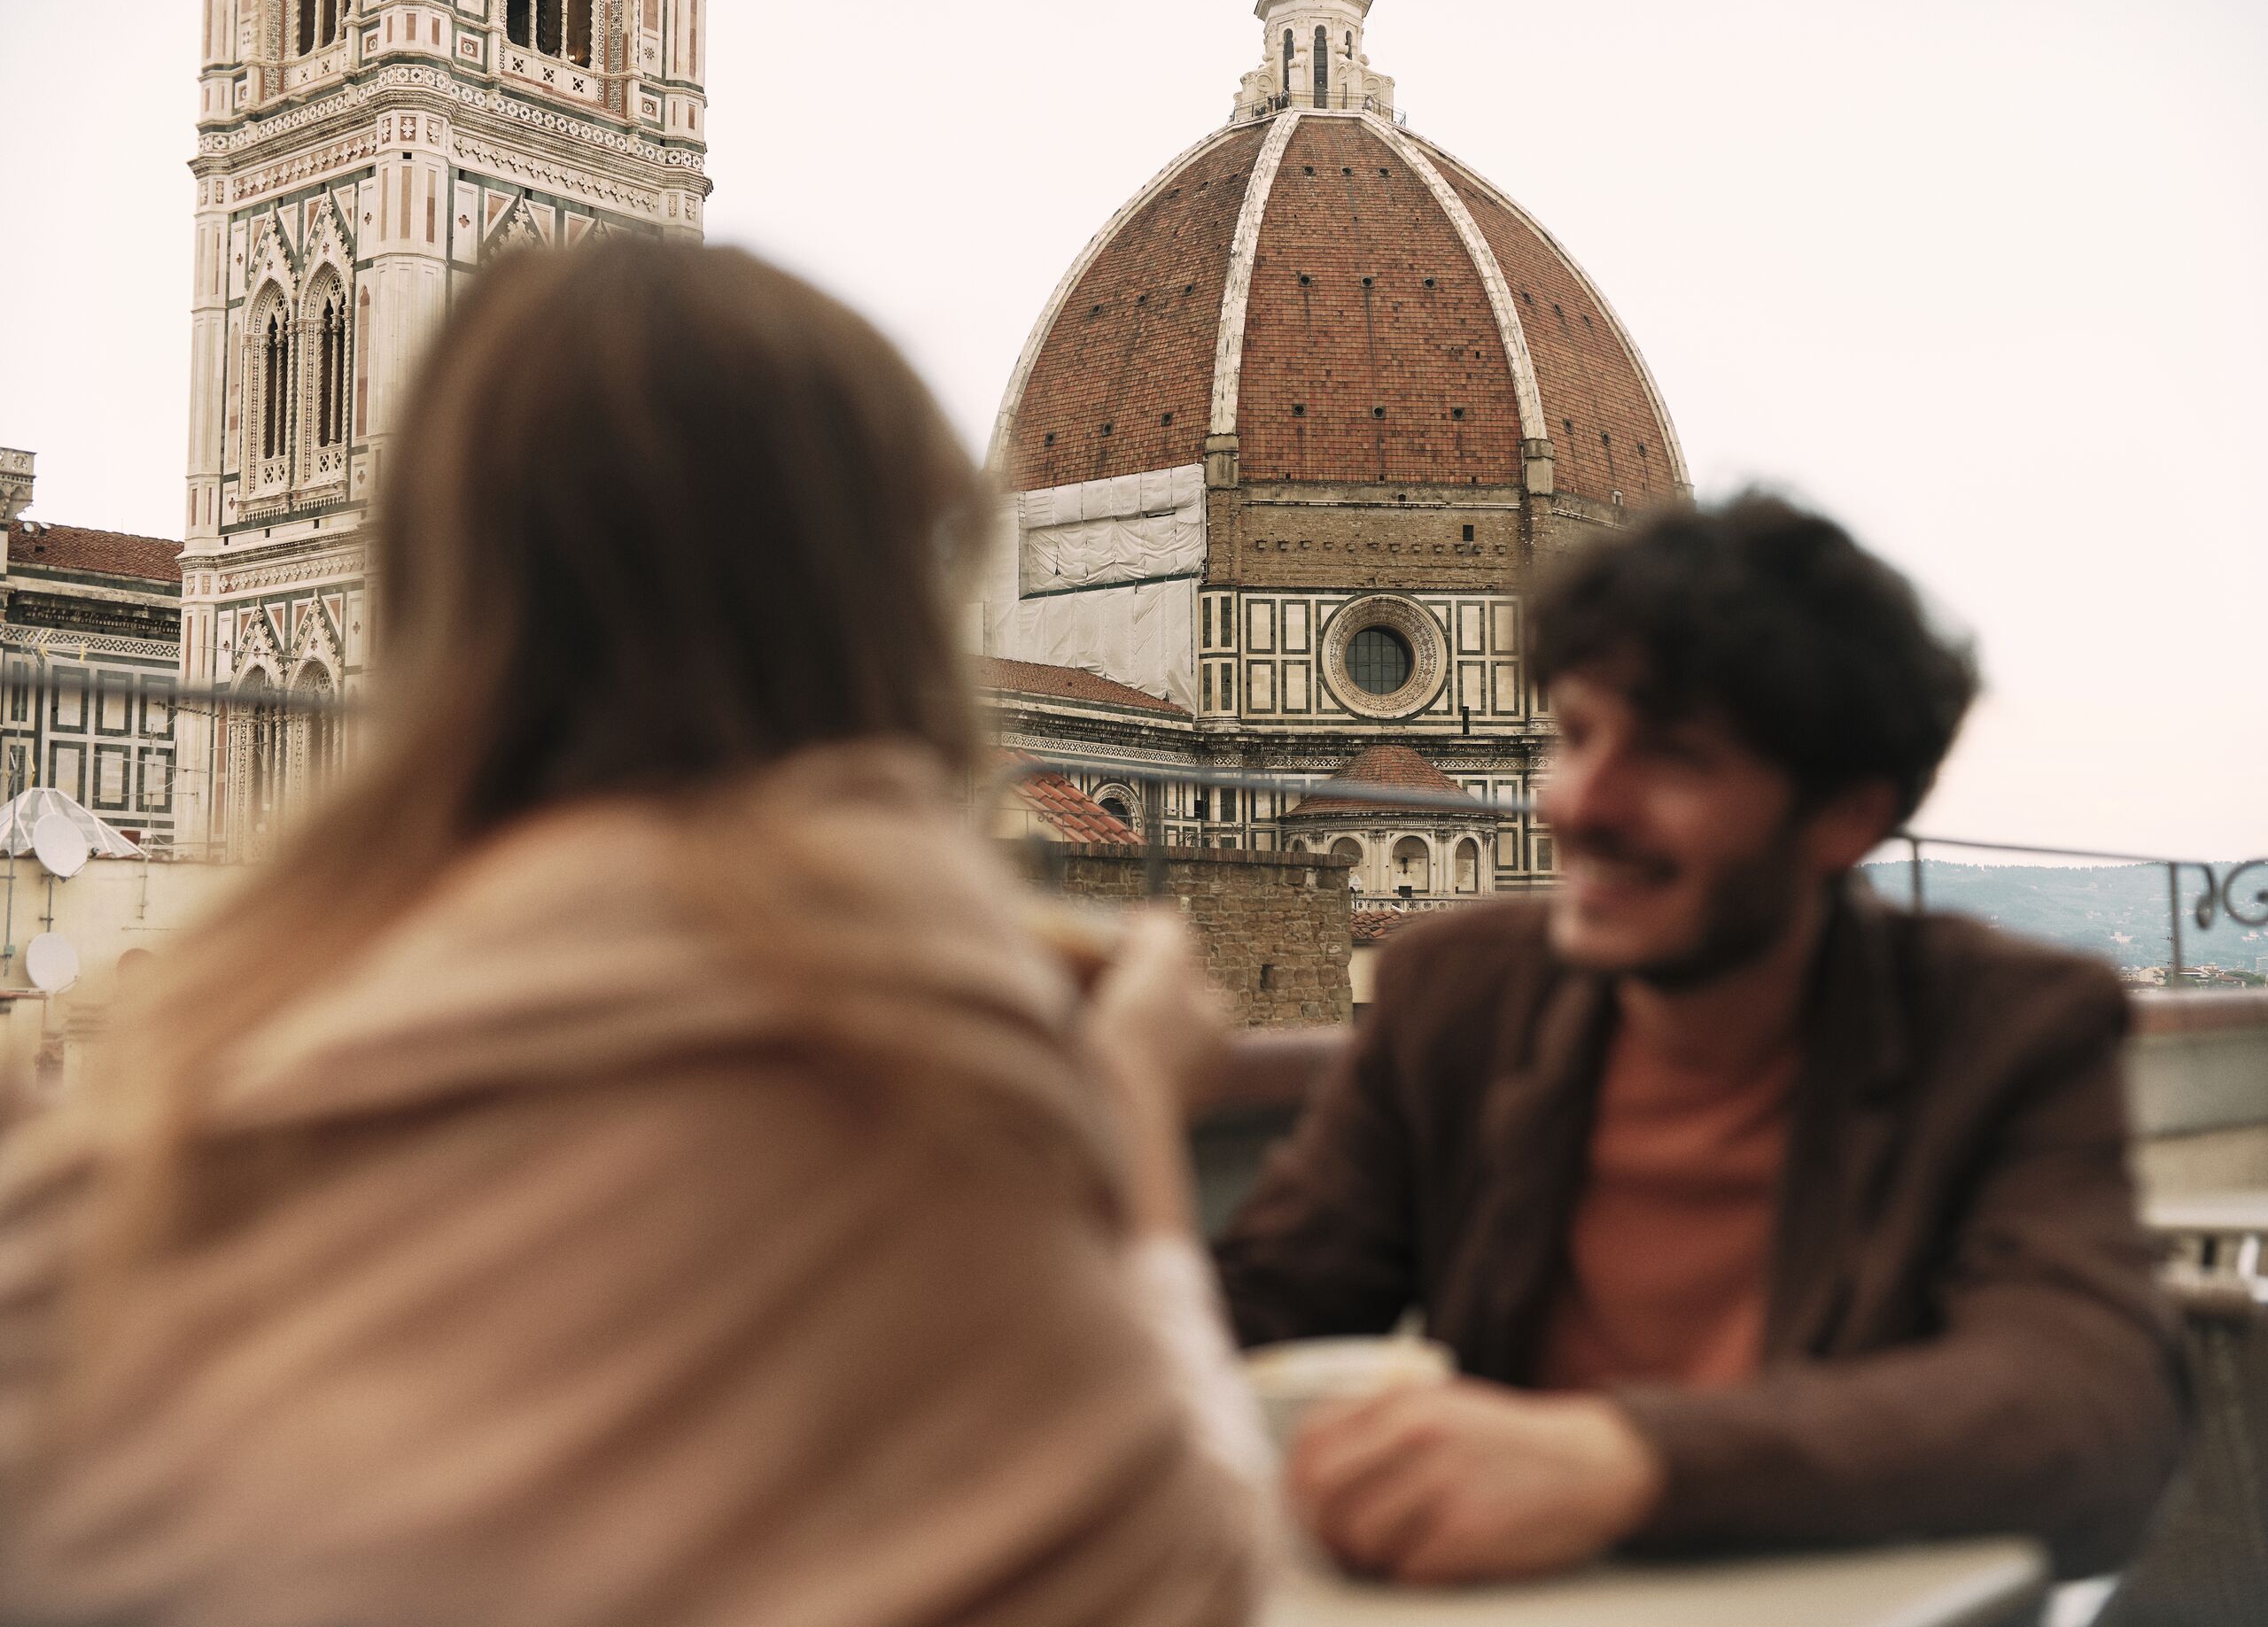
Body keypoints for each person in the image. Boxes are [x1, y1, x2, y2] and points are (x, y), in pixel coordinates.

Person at [0, 244, 1266, 1625]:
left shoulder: (187, 1075)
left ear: (436, 594)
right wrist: (1129, 1114)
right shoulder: (919, 1052)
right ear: (888, 618)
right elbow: (1187, 1565)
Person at [1216, 495, 2184, 1585]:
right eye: (1575, 737)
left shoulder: (2005, 1028)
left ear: (1846, 817)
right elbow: (1258, 1308)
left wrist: (1629, 1461)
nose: (1581, 805)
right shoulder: (1459, 996)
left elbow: (2093, 1409)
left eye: (1674, 756)